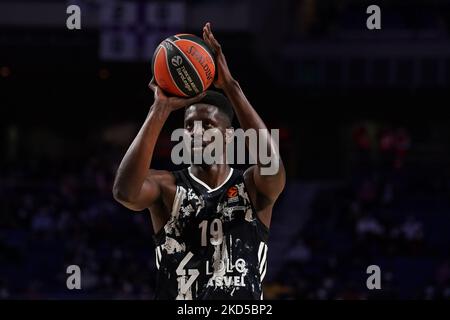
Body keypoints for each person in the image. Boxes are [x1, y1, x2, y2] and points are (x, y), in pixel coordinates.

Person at [113, 23, 285, 300]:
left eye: (206, 124)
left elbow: (271, 163)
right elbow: (124, 192)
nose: (195, 132)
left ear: (228, 136)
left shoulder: (252, 186)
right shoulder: (166, 187)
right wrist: (159, 109)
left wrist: (231, 87)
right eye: (189, 125)